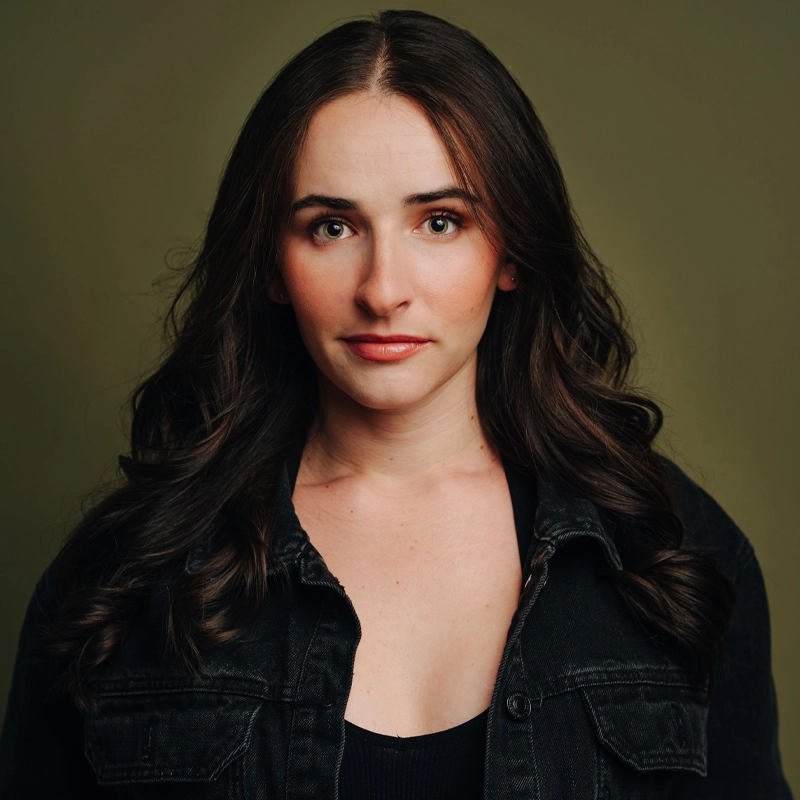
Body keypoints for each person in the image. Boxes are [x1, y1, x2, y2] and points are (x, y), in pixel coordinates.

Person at [0, 9, 791, 799]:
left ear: (509, 251)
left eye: (439, 222)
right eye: (332, 226)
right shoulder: (123, 575)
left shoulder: (674, 557)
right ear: (272, 265)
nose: (383, 290)